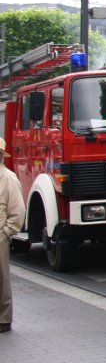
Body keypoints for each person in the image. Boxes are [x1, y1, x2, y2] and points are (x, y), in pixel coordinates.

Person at [0, 137, 27, 333]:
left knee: (2, 278)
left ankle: (4, 318)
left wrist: (7, 232)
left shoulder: (8, 177)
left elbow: (18, 210)